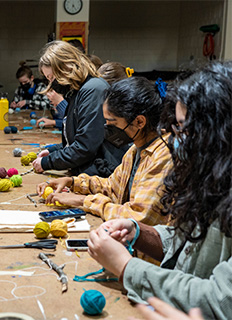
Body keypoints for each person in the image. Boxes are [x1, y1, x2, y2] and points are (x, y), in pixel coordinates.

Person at [87, 62, 232, 319]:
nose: (177, 140)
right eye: (176, 128)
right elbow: (189, 242)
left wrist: (126, 267)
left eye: (185, 129)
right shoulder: (216, 182)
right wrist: (138, 233)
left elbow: (217, 300)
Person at [37, 77, 172, 227]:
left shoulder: (163, 156)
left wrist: (82, 201)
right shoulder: (135, 150)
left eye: (112, 122)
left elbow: (137, 217)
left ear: (139, 122)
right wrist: (73, 182)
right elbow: (112, 186)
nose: (106, 127)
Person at [32, 40, 127, 177]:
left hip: (102, 173)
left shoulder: (93, 89)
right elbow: (78, 139)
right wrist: (53, 152)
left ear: (66, 68)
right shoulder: (77, 92)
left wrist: (48, 162)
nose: (51, 84)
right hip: (88, 171)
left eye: (52, 77)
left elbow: (85, 147)